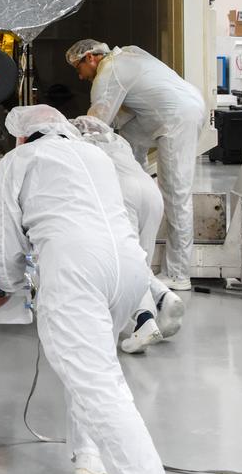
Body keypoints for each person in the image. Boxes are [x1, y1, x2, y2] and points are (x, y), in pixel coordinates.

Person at [0, 105, 187, 474]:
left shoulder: (17, 162)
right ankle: (89, 456)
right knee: (97, 370)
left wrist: (3, 287)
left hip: (77, 271)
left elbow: (6, 243)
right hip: (127, 269)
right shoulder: (92, 156)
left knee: (100, 387)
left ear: (22, 136)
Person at [66, 40, 206, 291]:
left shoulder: (109, 72)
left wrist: (64, 138)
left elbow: (96, 124)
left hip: (179, 117)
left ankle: (178, 274)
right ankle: (136, 179)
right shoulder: (128, 56)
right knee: (128, 137)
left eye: (79, 68)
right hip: (173, 110)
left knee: (176, 195)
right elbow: (123, 118)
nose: (79, 76)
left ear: (90, 58)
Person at [73, 116, 185, 353]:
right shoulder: (117, 141)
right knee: (139, 263)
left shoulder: (79, 145)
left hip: (123, 196)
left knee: (129, 265)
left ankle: (144, 323)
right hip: (150, 193)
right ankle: (165, 298)